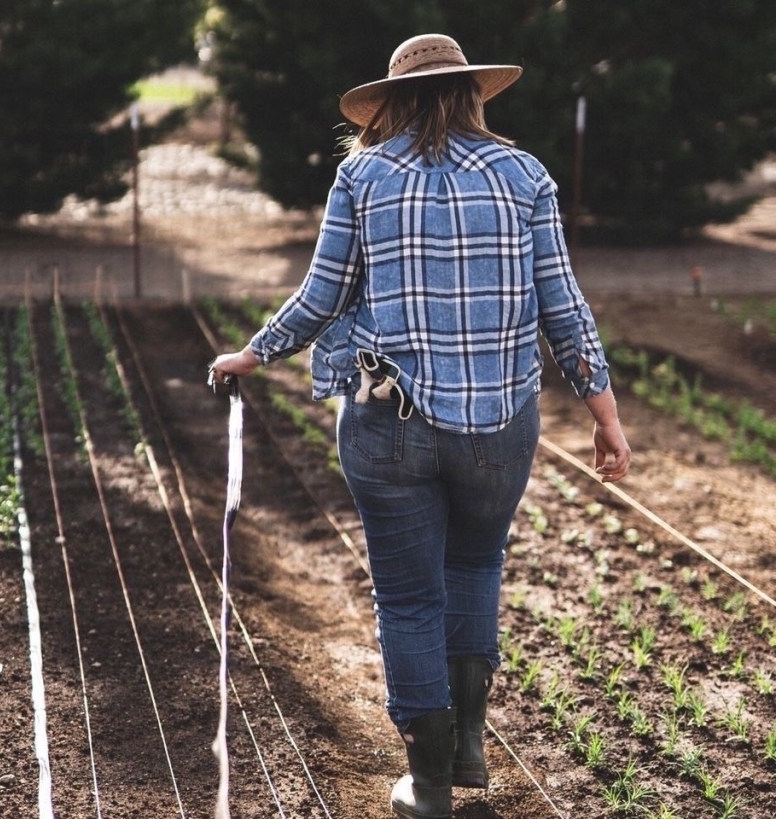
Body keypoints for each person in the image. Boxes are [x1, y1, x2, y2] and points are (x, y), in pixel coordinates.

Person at [209, 33, 631, 819]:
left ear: (393, 102)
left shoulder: (363, 176)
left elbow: (323, 294)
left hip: (389, 421)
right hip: (500, 423)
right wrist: (604, 413)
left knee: (409, 600)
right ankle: (467, 743)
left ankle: (430, 783)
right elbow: (564, 307)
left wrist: (254, 352)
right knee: (475, 566)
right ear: (472, 94)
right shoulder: (524, 175)